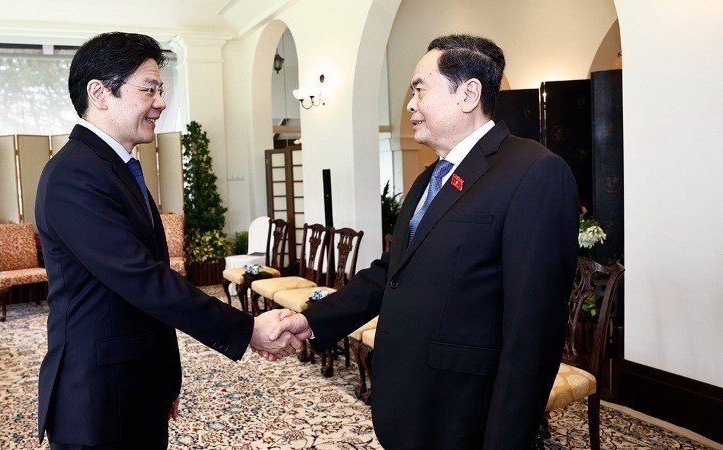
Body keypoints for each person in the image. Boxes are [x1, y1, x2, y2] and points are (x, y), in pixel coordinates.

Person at [271, 34, 579, 449]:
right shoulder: (427, 179)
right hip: (411, 401)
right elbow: (391, 272)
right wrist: (313, 319)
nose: (410, 105)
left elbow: (534, 330)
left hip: (466, 411)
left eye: (420, 89)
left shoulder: (534, 172)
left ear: (469, 93)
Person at [35, 32, 306, 450]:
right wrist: (247, 327)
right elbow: (142, 279)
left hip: (133, 381)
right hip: (98, 395)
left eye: (161, 90)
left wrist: (162, 378)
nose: (160, 102)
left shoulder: (114, 167)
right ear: (99, 93)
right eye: (149, 89)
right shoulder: (75, 174)